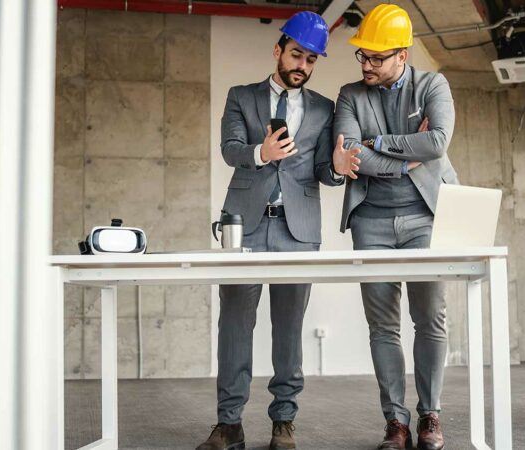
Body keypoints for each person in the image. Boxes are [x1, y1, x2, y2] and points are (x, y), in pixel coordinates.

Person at [196, 11, 345, 450]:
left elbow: (322, 169)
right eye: (297, 54)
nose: (303, 65)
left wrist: (336, 171)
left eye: (312, 59)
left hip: (298, 230)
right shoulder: (241, 96)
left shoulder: (324, 109)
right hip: (244, 226)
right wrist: (259, 152)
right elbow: (230, 150)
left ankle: (284, 421)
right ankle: (229, 424)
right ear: (278, 50)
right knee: (235, 327)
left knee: (289, 330)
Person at [332, 4, 459, 450]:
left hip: (427, 216)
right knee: (382, 326)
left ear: (401, 56)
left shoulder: (433, 86)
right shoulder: (350, 95)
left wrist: (380, 143)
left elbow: (438, 141)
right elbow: (350, 154)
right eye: (362, 56)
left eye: (376, 58)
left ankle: (429, 416)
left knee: (430, 318)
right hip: (371, 220)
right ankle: (396, 422)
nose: (366, 64)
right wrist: (408, 159)